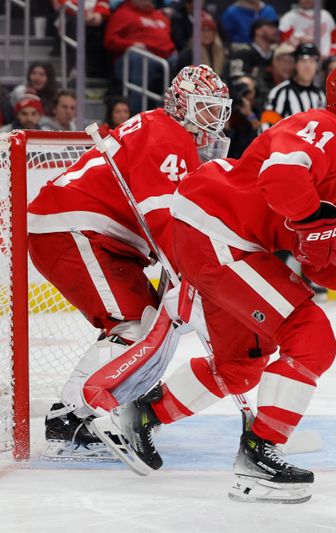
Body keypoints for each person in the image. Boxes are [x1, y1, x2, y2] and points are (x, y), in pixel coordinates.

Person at [91, 60, 336, 504]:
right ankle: (259, 454)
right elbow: (282, 178)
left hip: (228, 240)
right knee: (311, 334)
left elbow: (320, 256)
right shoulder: (321, 128)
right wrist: (311, 220)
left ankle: (142, 415)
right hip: (216, 227)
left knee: (240, 367)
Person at [26, 65, 231, 459]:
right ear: (182, 104)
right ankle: (73, 420)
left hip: (88, 235)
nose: (214, 119)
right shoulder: (170, 137)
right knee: (137, 325)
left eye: (219, 109)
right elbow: (164, 222)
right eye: (206, 108)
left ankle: (104, 401)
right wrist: (199, 276)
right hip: (75, 231)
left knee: (150, 321)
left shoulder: (161, 129)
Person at [104, 0, 178, 113]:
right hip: (134, 60)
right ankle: (135, 114)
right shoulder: (122, 13)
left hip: (164, 58)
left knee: (180, 60)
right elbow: (109, 41)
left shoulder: (160, 16)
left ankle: (173, 110)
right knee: (139, 59)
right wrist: (131, 44)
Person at [265, 43, 325, 119]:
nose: (308, 66)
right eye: (303, 61)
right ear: (295, 64)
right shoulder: (280, 92)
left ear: (317, 66)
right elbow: (267, 126)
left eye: (312, 61)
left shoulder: (320, 95)